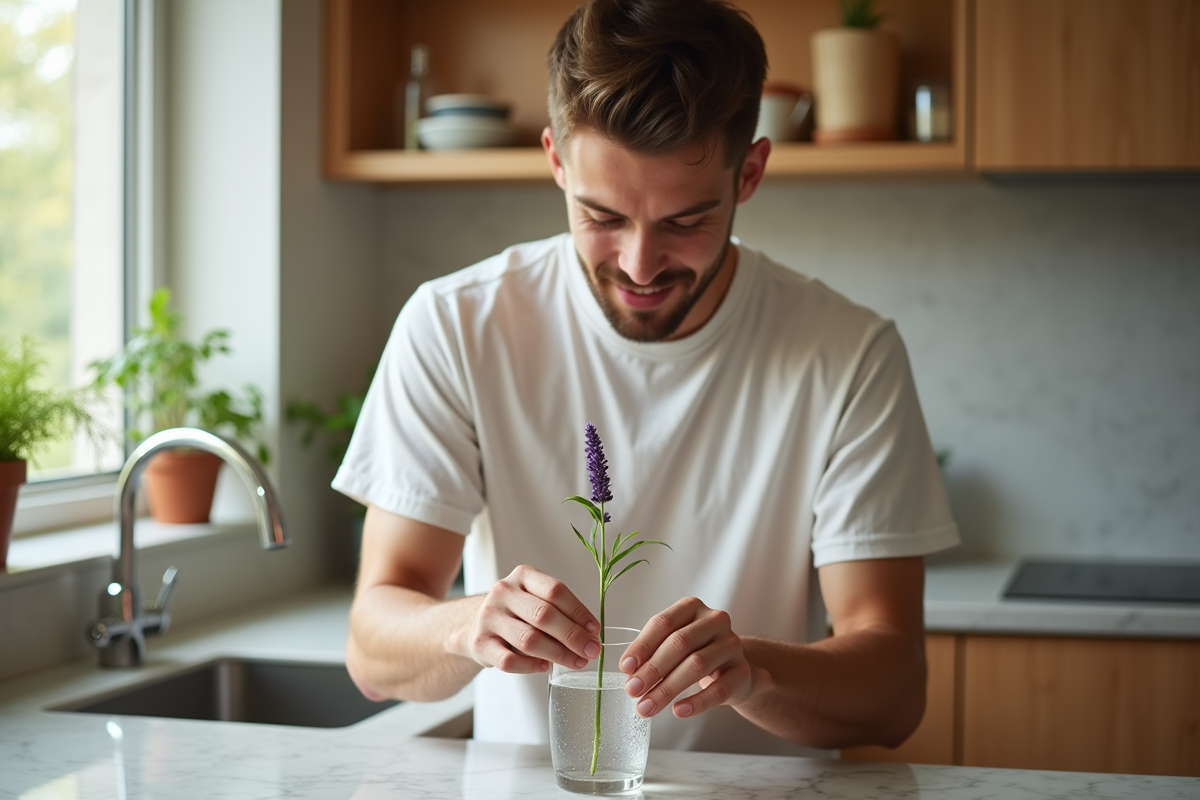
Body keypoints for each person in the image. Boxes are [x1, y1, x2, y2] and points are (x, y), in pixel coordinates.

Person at [333, 0, 959, 756]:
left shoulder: (848, 354)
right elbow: (373, 648)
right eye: (601, 216)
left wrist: (750, 671)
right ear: (556, 163)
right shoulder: (455, 326)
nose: (638, 265)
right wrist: (467, 626)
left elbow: (894, 690)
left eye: (685, 222)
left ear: (750, 173)